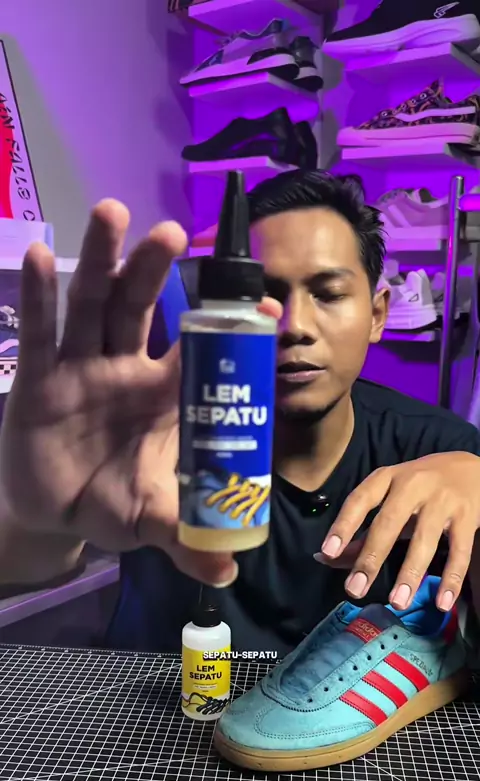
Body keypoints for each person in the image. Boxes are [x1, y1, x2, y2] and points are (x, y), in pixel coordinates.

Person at [1, 170, 480, 656]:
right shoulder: (154, 437)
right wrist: (40, 520)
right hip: (155, 697)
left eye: (328, 293)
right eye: (264, 297)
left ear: (377, 314)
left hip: (360, 704)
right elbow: (17, 568)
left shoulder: (441, 452)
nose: (295, 326)